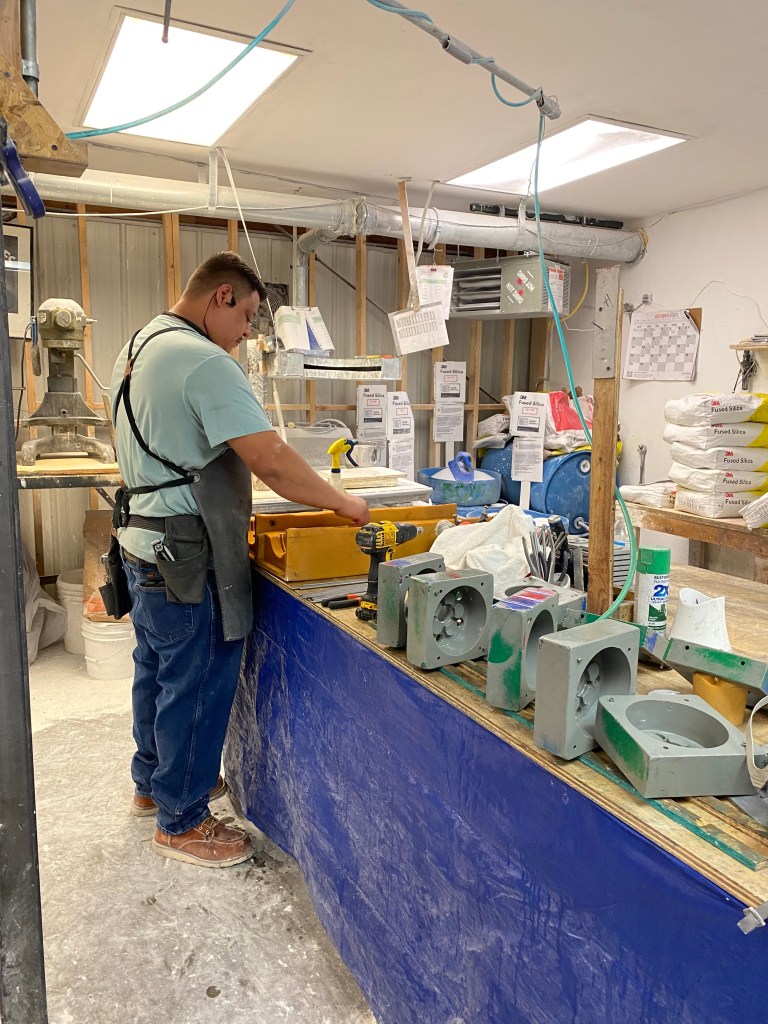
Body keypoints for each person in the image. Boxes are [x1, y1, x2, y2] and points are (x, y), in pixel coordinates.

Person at [110, 251, 368, 869]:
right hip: (186, 552)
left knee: (159, 671)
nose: (248, 333)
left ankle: (156, 782)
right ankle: (182, 817)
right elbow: (272, 460)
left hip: (145, 544)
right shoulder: (203, 360)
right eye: (248, 316)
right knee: (198, 680)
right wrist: (343, 503)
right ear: (220, 297)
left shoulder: (140, 343)